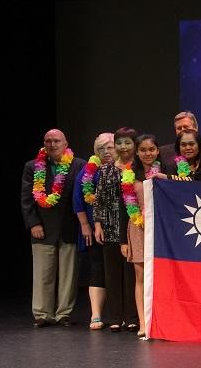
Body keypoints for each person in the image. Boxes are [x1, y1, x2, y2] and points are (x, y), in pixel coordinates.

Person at [21, 129, 86, 328]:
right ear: (44, 144)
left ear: (65, 144)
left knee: (68, 274)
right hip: (43, 227)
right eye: (48, 141)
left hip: (69, 227)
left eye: (56, 141)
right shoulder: (33, 166)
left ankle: (63, 313)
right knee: (43, 273)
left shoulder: (79, 165)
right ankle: (42, 314)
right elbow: (26, 198)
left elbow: (83, 196)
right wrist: (33, 223)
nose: (52, 144)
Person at [93, 127, 140, 333]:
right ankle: (115, 317)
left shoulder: (139, 168)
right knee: (112, 274)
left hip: (135, 227)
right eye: (119, 143)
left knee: (132, 275)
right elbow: (99, 199)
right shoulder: (106, 170)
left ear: (135, 145)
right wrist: (97, 224)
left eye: (127, 143)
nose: (123, 147)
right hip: (110, 225)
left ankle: (132, 317)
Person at [73, 132, 115, 330]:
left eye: (110, 147)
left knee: (118, 272)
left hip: (120, 227)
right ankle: (96, 315)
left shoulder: (125, 169)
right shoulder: (88, 171)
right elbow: (78, 200)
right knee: (97, 268)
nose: (106, 152)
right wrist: (85, 225)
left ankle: (120, 315)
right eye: (101, 148)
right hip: (94, 228)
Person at [123, 134, 162, 338]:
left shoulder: (166, 170)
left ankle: (160, 319)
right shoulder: (130, 174)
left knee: (160, 275)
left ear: (158, 150)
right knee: (140, 276)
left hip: (161, 229)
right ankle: (143, 322)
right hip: (138, 227)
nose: (148, 153)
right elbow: (124, 207)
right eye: (143, 150)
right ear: (137, 152)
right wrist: (123, 240)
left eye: (151, 149)